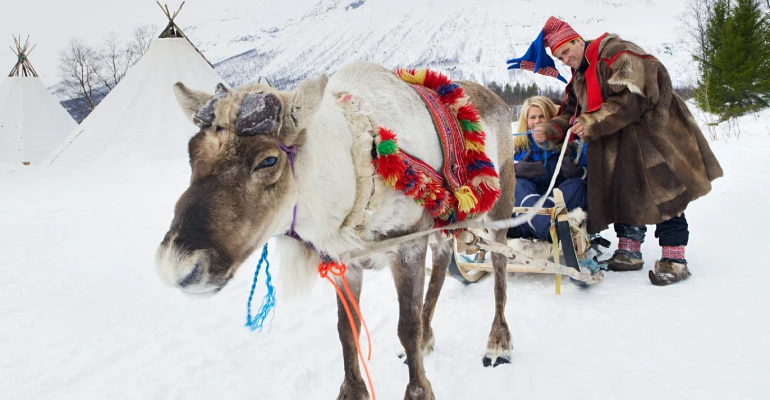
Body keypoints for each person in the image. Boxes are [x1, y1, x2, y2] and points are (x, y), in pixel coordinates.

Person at [515, 16, 723, 285]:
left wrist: (590, 122)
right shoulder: (581, 75)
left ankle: (674, 259)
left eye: (566, 51)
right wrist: (553, 128)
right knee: (624, 189)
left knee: (666, 195)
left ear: (578, 40)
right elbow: (571, 110)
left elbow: (631, 97)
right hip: (620, 140)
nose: (565, 59)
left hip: (654, 136)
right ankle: (629, 251)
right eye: (560, 57)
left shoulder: (617, 53)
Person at [507, 96, 588, 242]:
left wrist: (579, 172)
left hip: (559, 203)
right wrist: (515, 170)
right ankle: (550, 231)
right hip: (527, 205)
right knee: (518, 184)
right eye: (532, 117)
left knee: (578, 185)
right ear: (526, 121)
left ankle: (534, 226)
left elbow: (588, 176)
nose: (537, 121)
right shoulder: (517, 148)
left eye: (542, 116)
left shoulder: (570, 146)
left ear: (552, 119)